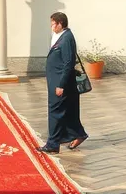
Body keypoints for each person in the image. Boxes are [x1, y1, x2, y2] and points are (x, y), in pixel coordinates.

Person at [37, 11, 88, 154]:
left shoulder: (66, 39)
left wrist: (61, 85)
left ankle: (52, 144)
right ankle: (79, 134)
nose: (51, 27)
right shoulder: (57, 36)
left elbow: (68, 63)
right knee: (67, 111)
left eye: (53, 24)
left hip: (60, 83)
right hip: (55, 81)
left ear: (60, 24)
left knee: (55, 112)